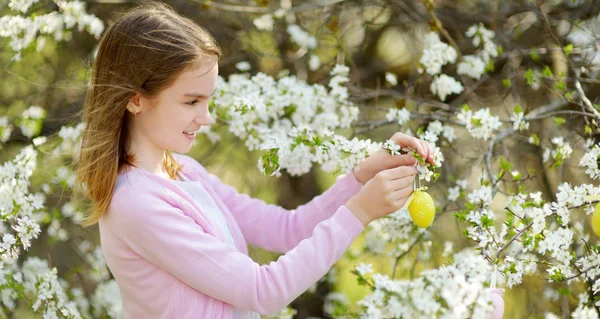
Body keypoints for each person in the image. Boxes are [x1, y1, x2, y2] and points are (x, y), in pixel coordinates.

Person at [74, 2, 502, 319]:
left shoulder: (184, 173)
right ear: (135, 98)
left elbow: (287, 229)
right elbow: (263, 291)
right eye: (191, 101)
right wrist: (359, 212)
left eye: (208, 100)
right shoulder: (137, 205)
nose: (205, 118)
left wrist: (360, 176)